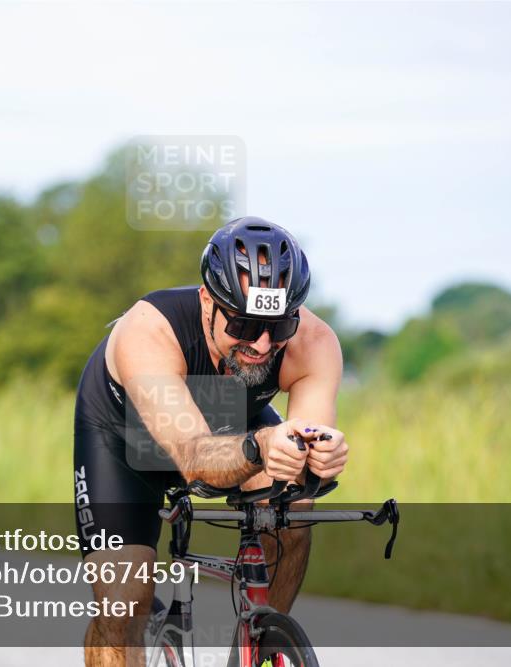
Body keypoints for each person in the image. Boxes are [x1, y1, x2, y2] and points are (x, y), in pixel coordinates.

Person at [73, 216, 349, 667]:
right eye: (243, 324)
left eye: (278, 327)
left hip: (227, 424)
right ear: (208, 300)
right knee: (125, 599)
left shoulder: (313, 341)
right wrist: (261, 446)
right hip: (124, 435)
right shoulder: (150, 331)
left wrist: (320, 454)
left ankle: (262, 641)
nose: (262, 344)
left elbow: (304, 447)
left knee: (294, 506)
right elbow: (194, 456)